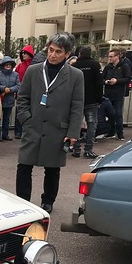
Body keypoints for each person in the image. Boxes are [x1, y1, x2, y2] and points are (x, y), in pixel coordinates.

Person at [15, 32, 84, 213]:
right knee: (24, 165)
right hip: (33, 125)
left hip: (57, 129)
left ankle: (48, 201)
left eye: (58, 52)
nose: (52, 55)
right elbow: (22, 98)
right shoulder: (33, 70)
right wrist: (26, 119)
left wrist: (73, 132)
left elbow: (77, 106)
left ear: (67, 54)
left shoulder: (76, 76)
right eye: (50, 50)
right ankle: (22, 200)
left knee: (52, 169)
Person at [71, 46, 103, 158]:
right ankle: (88, 149)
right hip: (91, 99)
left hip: (77, 100)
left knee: (76, 124)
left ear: (79, 54)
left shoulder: (74, 66)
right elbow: (99, 83)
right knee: (91, 124)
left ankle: (76, 149)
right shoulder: (95, 65)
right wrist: (99, 98)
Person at [102, 48, 131, 140]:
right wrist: (106, 81)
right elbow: (102, 78)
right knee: (110, 113)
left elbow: (128, 78)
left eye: (111, 56)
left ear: (117, 56)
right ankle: (111, 132)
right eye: (109, 56)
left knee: (118, 113)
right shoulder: (107, 67)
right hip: (108, 92)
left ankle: (120, 133)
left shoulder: (124, 66)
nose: (109, 58)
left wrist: (117, 81)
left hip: (118, 93)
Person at [0, 55, 20, 141]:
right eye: (6, 64)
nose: (8, 66)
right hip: (0, 99)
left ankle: (5, 134)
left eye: (10, 64)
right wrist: (3, 88)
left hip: (9, 99)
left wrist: (9, 90)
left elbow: (18, 86)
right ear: (3, 65)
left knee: (7, 119)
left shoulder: (16, 75)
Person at [14, 44, 34, 140]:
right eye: (22, 53)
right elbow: (15, 77)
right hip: (21, 92)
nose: (23, 55)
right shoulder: (20, 66)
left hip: (31, 92)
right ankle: (18, 131)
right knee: (19, 111)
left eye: (25, 53)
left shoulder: (33, 65)